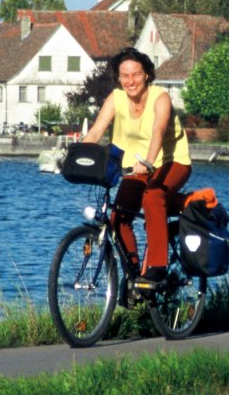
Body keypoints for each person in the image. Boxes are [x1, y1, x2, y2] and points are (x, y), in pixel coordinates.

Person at [82, 47, 191, 288]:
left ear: (147, 75)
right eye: (125, 76)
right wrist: (77, 157)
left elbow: (158, 131)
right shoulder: (116, 98)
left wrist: (149, 163)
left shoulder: (160, 97)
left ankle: (158, 268)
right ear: (119, 79)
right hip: (134, 167)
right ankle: (133, 278)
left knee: (152, 196)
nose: (130, 81)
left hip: (171, 161)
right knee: (118, 216)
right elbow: (96, 131)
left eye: (136, 75)